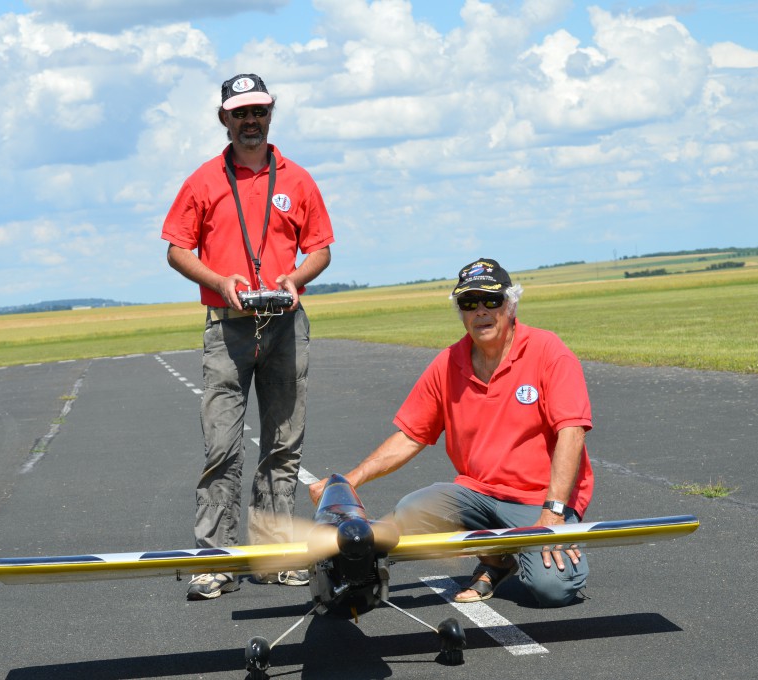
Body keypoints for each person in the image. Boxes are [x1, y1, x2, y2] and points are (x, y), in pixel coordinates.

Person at [309, 258, 593, 607]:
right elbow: (411, 435)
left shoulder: (549, 352)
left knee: (552, 588)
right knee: (411, 511)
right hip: (477, 494)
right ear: (460, 312)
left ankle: (512, 547)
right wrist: (347, 481)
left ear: (511, 304)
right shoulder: (448, 363)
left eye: (491, 300)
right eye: (469, 303)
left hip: (539, 498)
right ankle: (497, 560)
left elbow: (572, 433)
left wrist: (552, 515)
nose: (481, 311)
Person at [162, 73, 335, 600]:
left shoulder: (299, 179)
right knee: (221, 446)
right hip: (228, 328)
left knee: (284, 445)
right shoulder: (202, 181)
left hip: (285, 325)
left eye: (258, 110)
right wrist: (220, 282)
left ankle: (276, 556)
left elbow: (322, 248)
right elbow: (176, 249)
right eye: (240, 113)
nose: (250, 121)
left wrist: (294, 280)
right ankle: (215, 559)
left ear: (271, 113)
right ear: (224, 119)